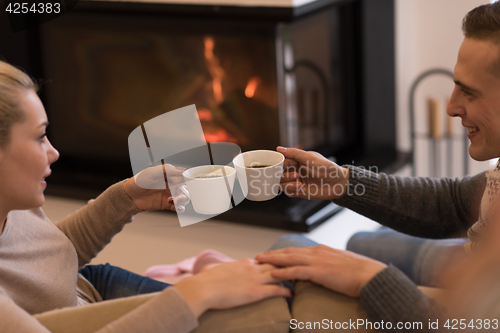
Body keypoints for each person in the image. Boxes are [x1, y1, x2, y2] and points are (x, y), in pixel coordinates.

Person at [0, 59, 291, 332]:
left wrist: (127, 197)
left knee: (274, 305)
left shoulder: (12, 202)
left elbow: (48, 254)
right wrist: (197, 291)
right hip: (86, 314)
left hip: (89, 288)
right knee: (265, 317)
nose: (53, 152)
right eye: (39, 137)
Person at [257, 1, 500, 327]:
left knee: (291, 248)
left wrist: (370, 277)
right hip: (476, 249)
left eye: (469, 92)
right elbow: (455, 203)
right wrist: (343, 182)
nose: (452, 107)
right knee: (361, 241)